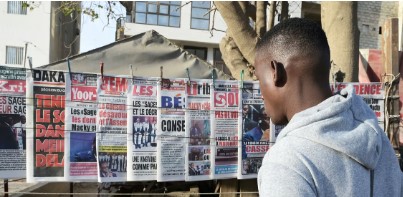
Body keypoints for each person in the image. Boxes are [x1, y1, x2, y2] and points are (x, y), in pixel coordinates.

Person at [255, 18, 402, 196]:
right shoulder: (377, 138)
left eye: (259, 80)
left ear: (275, 72)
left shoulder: (285, 162)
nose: (261, 93)